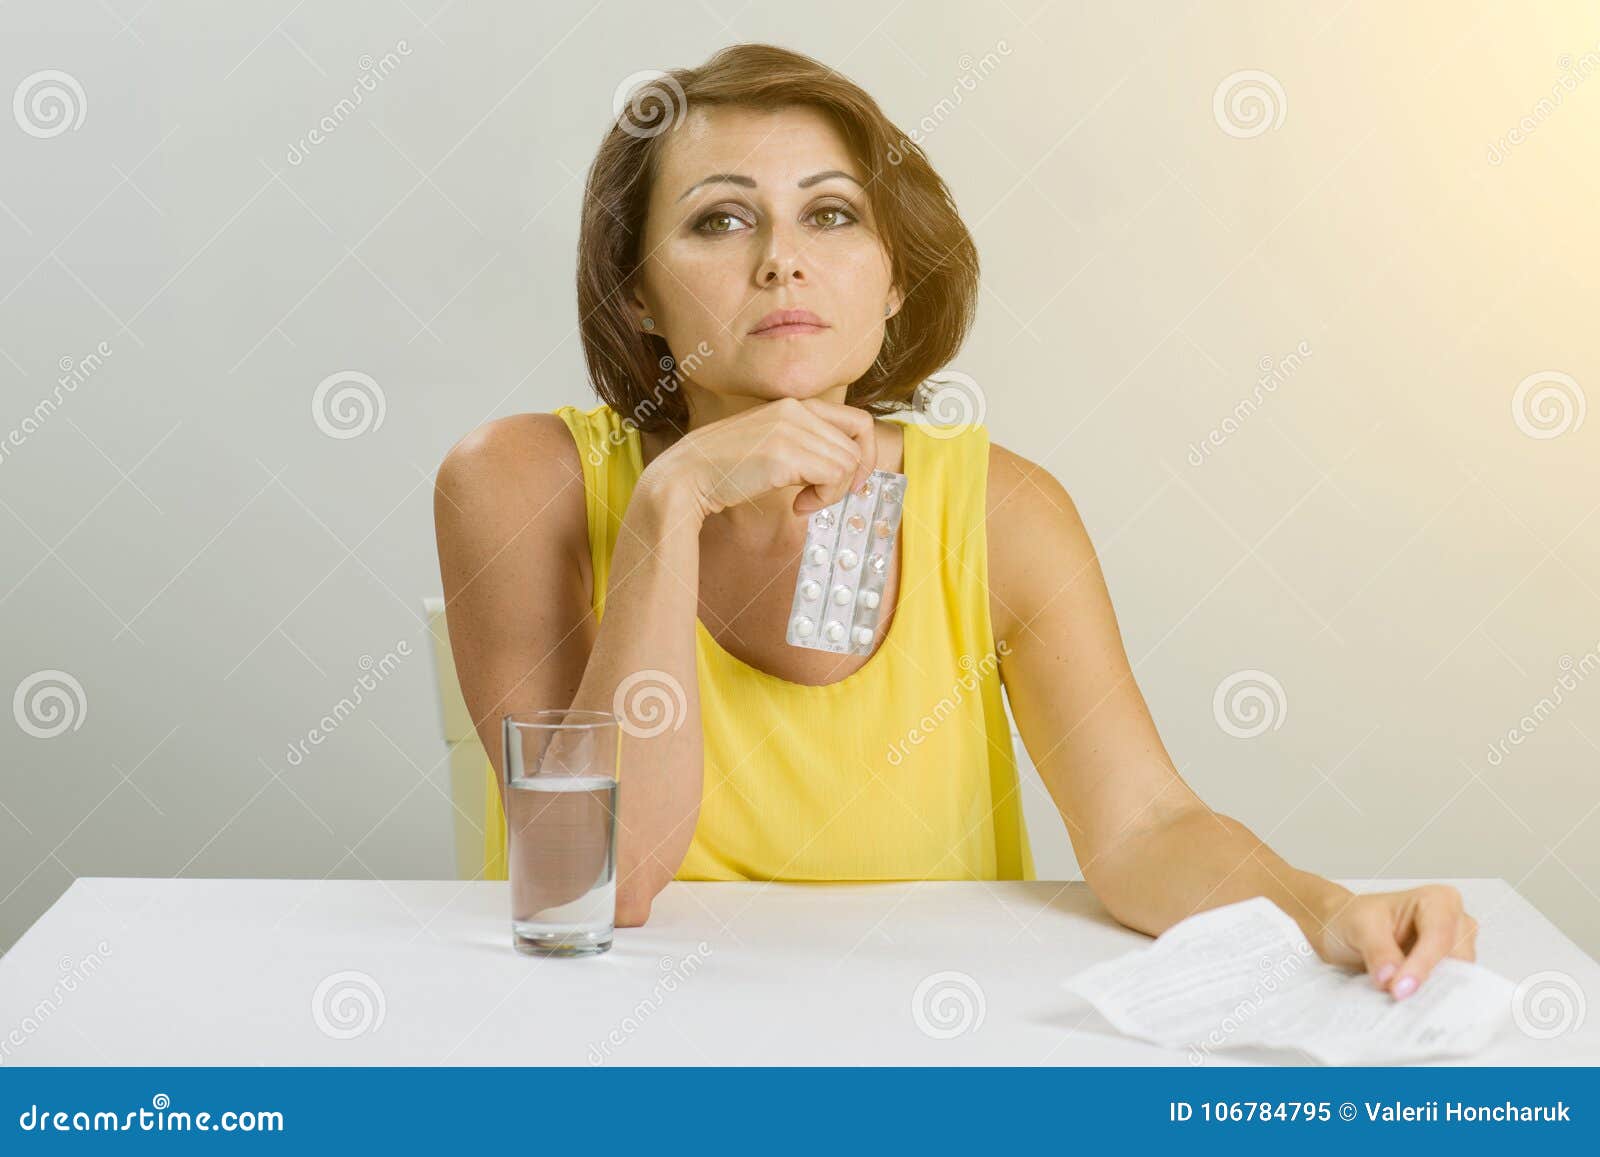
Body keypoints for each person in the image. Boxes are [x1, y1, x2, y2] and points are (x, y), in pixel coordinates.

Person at [433, 43, 1476, 1000]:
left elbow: (1145, 827)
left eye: (831, 213)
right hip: (599, 1038)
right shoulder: (521, 481)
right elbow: (594, 884)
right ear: (637, 298)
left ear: (894, 281)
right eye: (720, 218)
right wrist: (670, 506)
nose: (781, 260)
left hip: (933, 1030)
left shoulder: (1001, 510)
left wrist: (1327, 909)